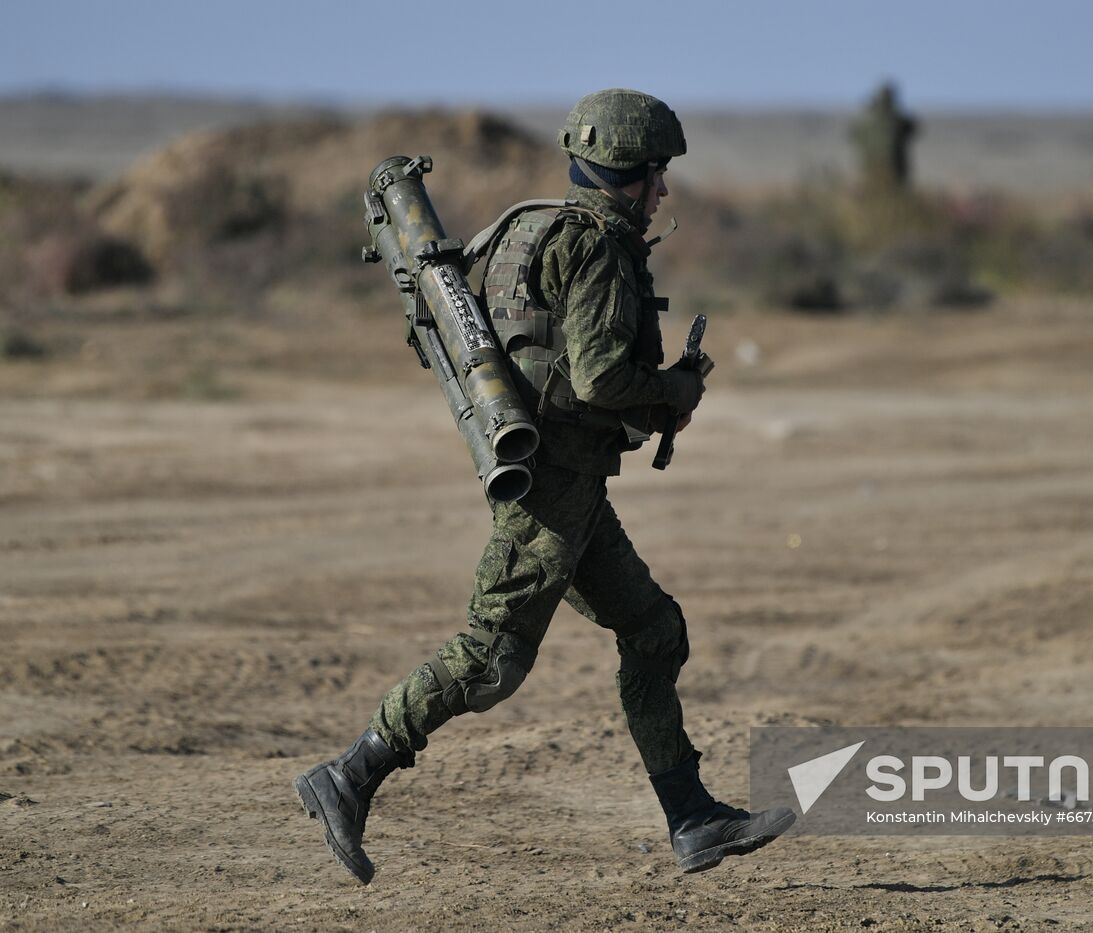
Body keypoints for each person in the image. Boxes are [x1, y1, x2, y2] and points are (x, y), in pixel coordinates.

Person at [293, 88, 795, 884]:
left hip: (567, 483)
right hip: (552, 489)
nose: (662, 191)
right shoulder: (594, 246)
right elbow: (599, 380)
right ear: (625, 175)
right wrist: (676, 391)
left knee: (656, 630)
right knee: (492, 655)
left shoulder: (530, 226)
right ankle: (349, 774)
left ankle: (693, 819)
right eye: (655, 175)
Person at [849, 81, 918, 190]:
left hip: (873, 168)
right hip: (894, 169)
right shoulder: (898, 120)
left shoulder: (868, 122)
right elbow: (912, 129)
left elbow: (854, 136)